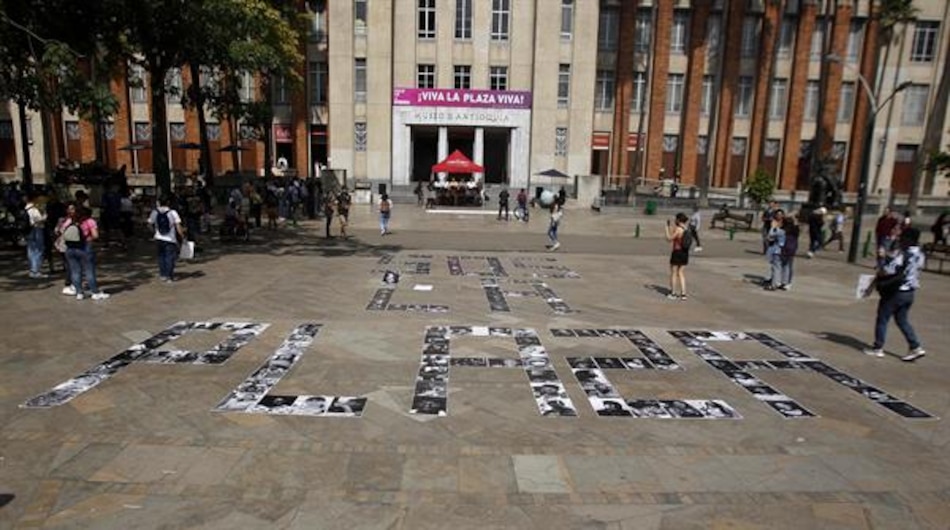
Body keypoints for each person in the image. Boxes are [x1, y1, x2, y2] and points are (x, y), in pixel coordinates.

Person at [863, 228, 926, 362]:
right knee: (902, 320)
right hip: (910, 292)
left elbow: (887, 270)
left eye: (903, 238)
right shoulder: (920, 254)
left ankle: (878, 348)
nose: (900, 240)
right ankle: (915, 346)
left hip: (896, 292)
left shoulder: (903, 254)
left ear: (909, 240)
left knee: (883, 318)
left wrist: (882, 259)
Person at [63, 205, 109, 300]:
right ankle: (95, 292)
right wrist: (88, 238)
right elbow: (95, 235)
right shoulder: (89, 221)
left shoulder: (70, 221)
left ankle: (79, 292)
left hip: (70, 248)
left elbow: (61, 231)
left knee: (75, 271)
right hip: (84, 248)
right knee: (89, 271)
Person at [148, 195, 184, 283]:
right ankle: (169, 276)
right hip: (170, 239)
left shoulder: (154, 212)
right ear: (169, 202)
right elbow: (178, 226)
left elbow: (149, 224)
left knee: (161, 256)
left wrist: (154, 232)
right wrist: (182, 236)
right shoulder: (173, 212)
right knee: (170, 257)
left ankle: (163, 274)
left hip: (158, 238)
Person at [665, 213, 689, 300]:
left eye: (676, 219)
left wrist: (667, 228)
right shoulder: (687, 229)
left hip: (677, 252)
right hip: (685, 252)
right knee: (681, 273)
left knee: (674, 273)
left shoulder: (678, 229)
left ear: (678, 220)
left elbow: (669, 238)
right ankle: (683, 294)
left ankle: (673, 293)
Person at [24, 190, 48, 278]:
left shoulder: (26, 207)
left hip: (29, 230)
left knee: (31, 250)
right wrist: (45, 215)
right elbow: (39, 218)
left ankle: (32, 269)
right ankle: (36, 270)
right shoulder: (34, 208)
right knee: (38, 249)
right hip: (36, 229)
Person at [763, 209, 786, 290]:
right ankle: (774, 281)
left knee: (777, 266)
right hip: (774, 247)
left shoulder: (784, 226)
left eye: (781, 214)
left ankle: (775, 284)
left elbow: (772, 235)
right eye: (777, 214)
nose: (779, 216)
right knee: (775, 266)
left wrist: (773, 227)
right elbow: (769, 237)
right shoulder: (774, 223)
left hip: (779, 249)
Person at [780, 214, 799, 290]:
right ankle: (787, 282)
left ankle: (784, 281)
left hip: (785, 248)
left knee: (783, 265)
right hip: (791, 248)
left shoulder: (783, 229)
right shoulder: (795, 229)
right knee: (788, 265)